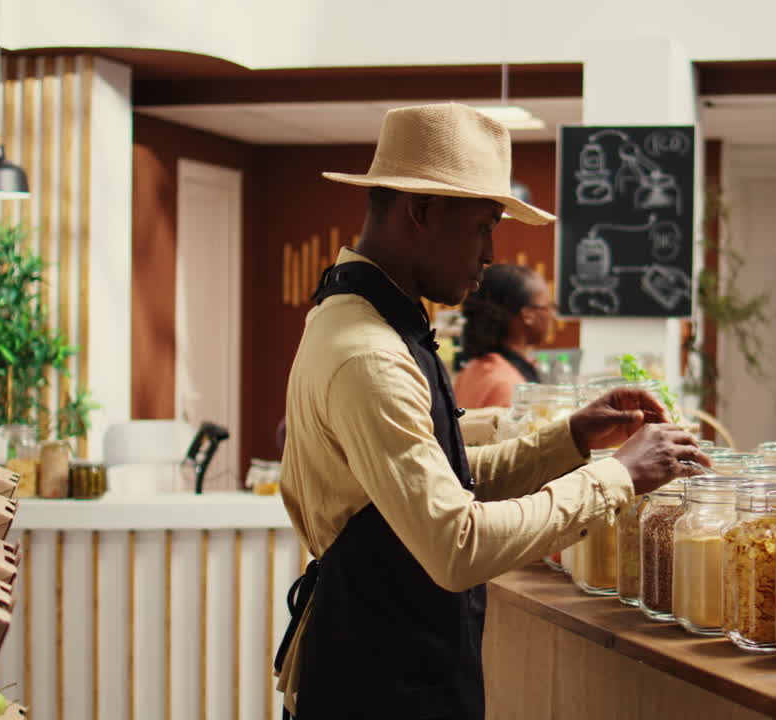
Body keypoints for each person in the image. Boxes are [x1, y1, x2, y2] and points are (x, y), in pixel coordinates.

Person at [273, 103, 708, 720]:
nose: (491, 253)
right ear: (419, 212)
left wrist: (572, 437)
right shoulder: (368, 353)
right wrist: (620, 476)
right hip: (379, 686)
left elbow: (442, 477)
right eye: (483, 226)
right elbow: (457, 544)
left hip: (397, 666)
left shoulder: (365, 321)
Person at [453, 263, 552, 408]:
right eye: (549, 307)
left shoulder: (471, 370)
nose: (552, 315)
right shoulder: (512, 388)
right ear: (528, 315)